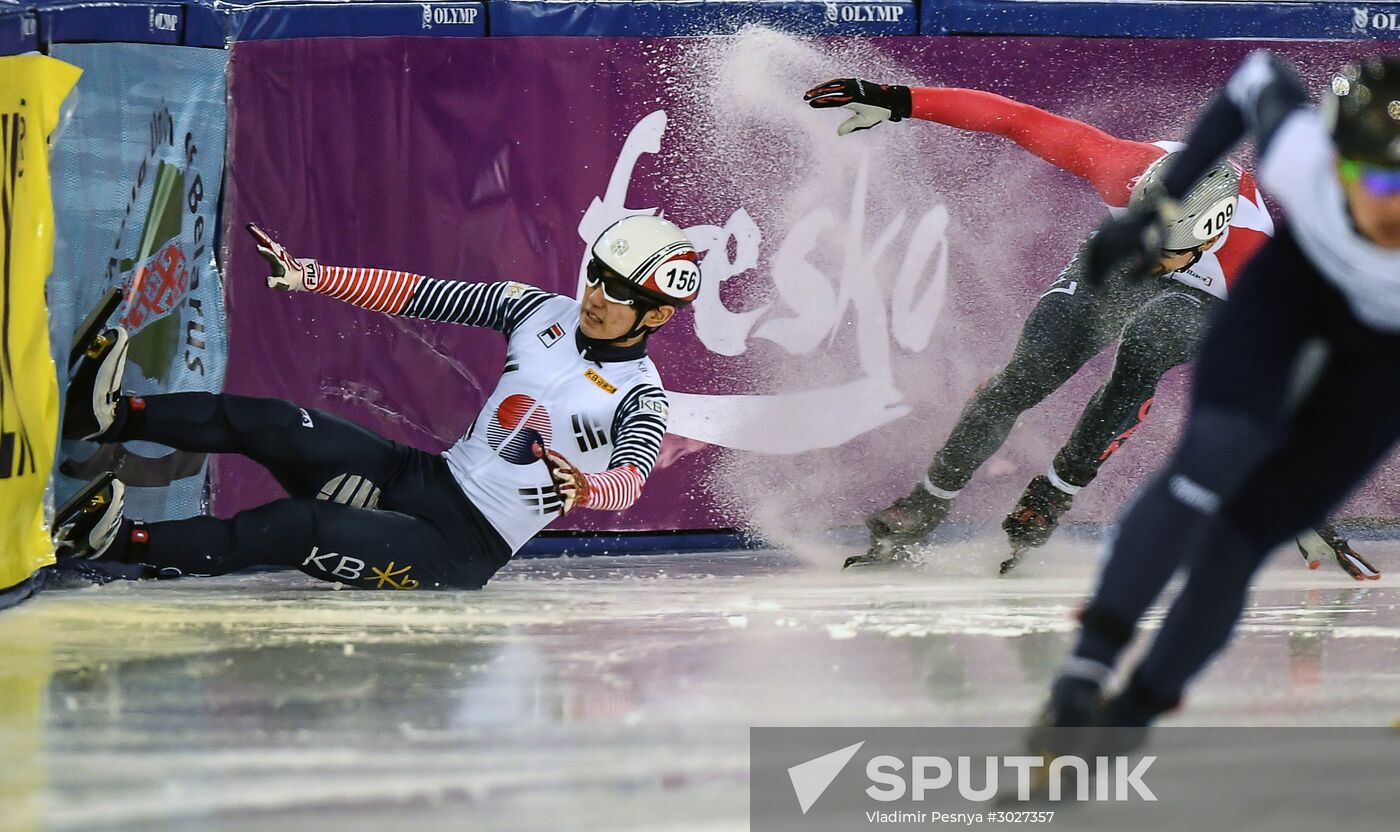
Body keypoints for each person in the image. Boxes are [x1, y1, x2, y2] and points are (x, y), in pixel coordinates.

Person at [804, 78, 1377, 579]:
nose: (1153, 260)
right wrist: (899, 99)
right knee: (1030, 371)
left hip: (1208, 300)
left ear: (1210, 235)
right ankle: (926, 503)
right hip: (1116, 261)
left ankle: (1052, 494)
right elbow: (1015, 120)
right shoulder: (1121, 168)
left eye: (1167, 253)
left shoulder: (1255, 269)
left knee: (1146, 348)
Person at [1033, 52, 1400, 744]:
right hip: (1294, 292)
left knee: (1241, 542)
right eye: (1372, 176)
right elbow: (1256, 78)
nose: (1390, 202)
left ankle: (1133, 714)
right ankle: (1082, 672)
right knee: (1210, 458)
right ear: (1337, 162)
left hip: (1382, 347)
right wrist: (1165, 204)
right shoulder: (1303, 157)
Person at [50, 215, 701, 590]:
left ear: (657, 315)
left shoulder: (639, 394)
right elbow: (420, 293)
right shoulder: (538, 308)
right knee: (275, 422)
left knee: (299, 526)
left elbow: (633, 478)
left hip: (462, 545)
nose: (594, 296)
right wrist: (313, 275)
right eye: (597, 277)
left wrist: (586, 485)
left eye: (617, 293)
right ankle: (112, 415)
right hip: (424, 477)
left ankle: (122, 544)